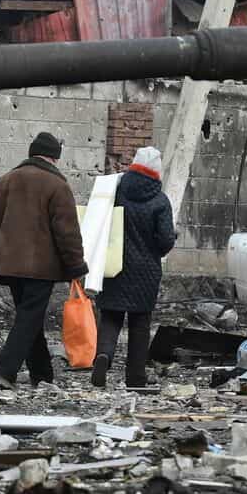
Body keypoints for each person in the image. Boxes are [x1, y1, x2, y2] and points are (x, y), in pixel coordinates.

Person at [0, 132, 86, 390]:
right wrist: (76, 267)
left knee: (30, 318)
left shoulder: (3, 182)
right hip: (41, 268)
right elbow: (67, 233)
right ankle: (4, 371)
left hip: (10, 265)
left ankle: (42, 374)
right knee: (28, 318)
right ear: (54, 158)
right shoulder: (57, 186)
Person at [92, 146, 175, 389]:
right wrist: (156, 250)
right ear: (157, 172)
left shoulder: (116, 191)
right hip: (146, 271)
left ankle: (104, 356)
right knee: (140, 324)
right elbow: (166, 240)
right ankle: (135, 378)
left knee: (110, 316)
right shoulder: (160, 200)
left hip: (114, 265)